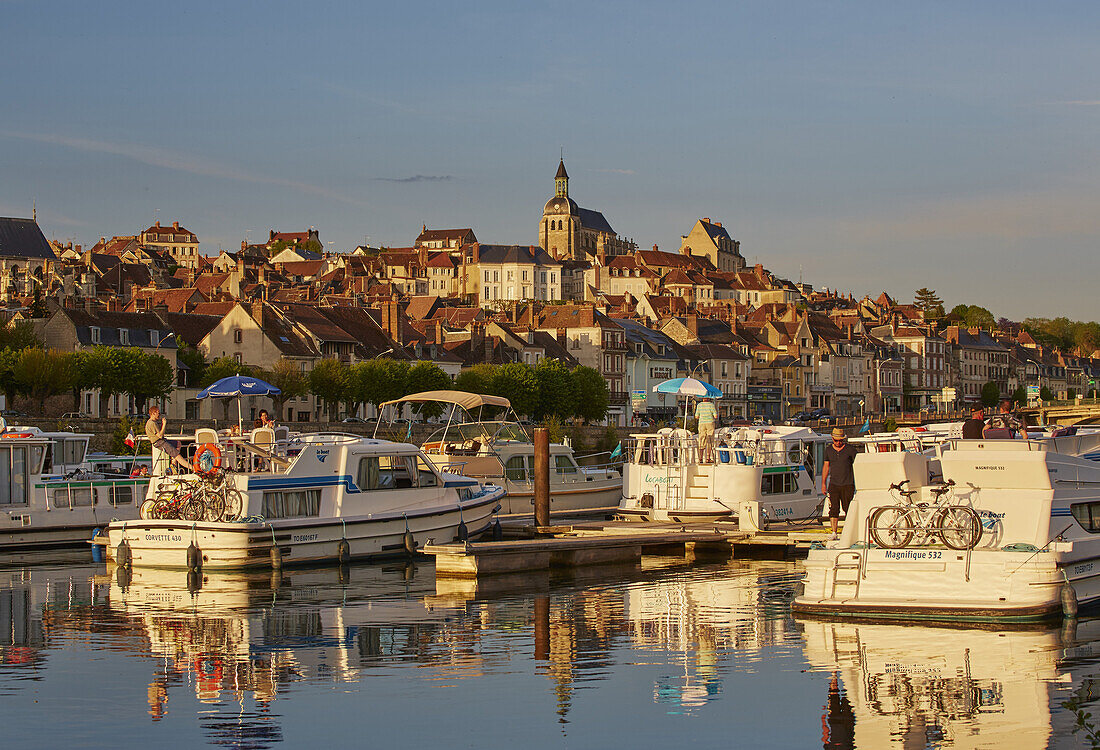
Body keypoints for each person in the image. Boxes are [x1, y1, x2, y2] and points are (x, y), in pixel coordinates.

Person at [821, 428, 858, 540]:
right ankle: (834, 532)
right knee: (834, 508)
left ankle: (849, 531)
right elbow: (826, 467)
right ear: (832, 439)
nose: (838, 443)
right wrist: (823, 483)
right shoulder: (828, 450)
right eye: (836, 440)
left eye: (840, 440)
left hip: (848, 483)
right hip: (834, 483)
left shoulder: (850, 450)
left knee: (848, 508)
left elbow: (858, 464)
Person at [145, 405, 193, 473]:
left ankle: (173, 464)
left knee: (178, 443)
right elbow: (160, 436)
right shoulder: (151, 423)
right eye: (158, 413)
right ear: (153, 413)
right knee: (177, 455)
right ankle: (192, 468)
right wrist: (164, 424)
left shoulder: (154, 422)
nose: (159, 415)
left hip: (162, 440)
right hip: (159, 442)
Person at [694, 397, 718, 462]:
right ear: (709, 398)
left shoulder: (699, 405)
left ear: (702, 398)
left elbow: (696, 416)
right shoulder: (711, 405)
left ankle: (700, 458)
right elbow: (715, 416)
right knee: (709, 440)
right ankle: (708, 458)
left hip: (702, 423)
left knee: (701, 439)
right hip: (710, 423)